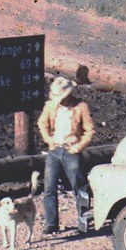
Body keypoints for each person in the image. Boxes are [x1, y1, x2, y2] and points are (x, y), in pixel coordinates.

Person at [37, 76, 95, 234]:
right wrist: (49, 139)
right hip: (55, 150)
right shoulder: (50, 106)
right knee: (49, 187)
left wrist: (79, 146)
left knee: (79, 188)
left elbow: (89, 130)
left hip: (71, 150)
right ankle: (51, 224)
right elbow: (42, 123)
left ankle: (83, 222)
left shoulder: (81, 107)